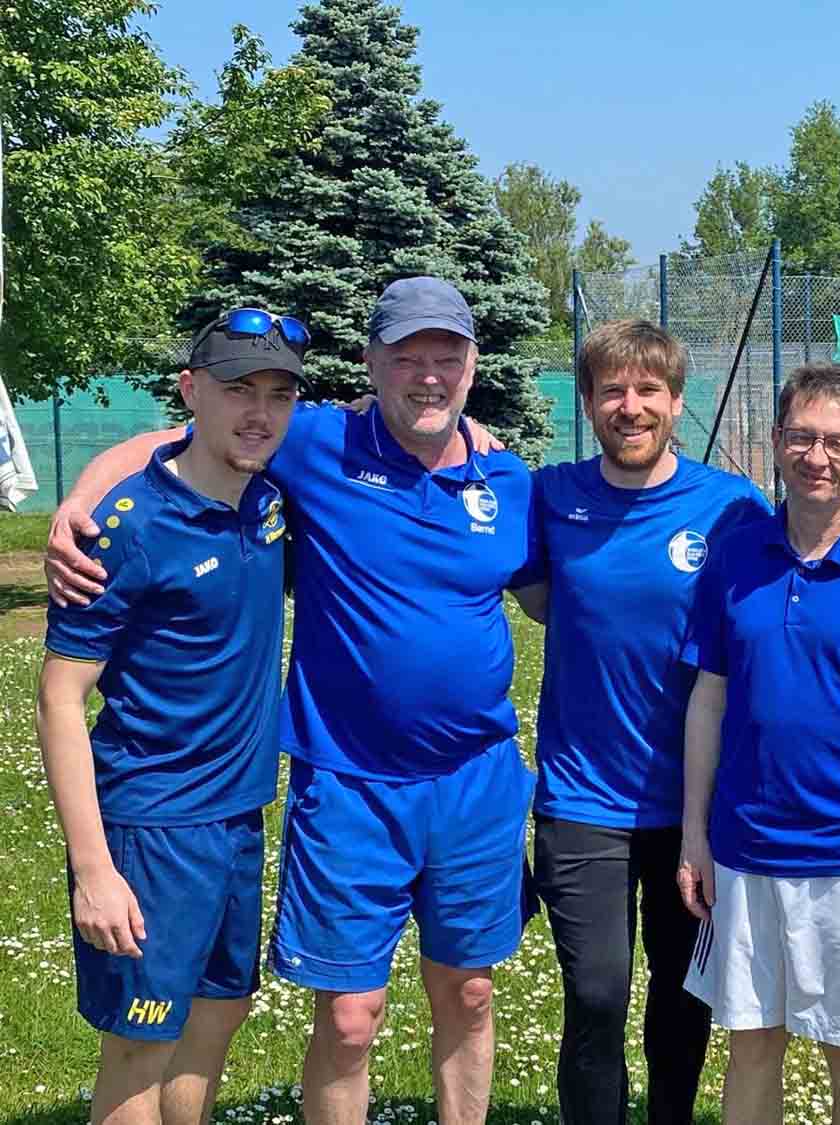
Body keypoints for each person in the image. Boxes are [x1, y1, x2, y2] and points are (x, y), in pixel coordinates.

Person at [45, 277, 541, 1125]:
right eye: (408, 357)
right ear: (372, 364)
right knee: (349, 1019)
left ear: (471, 366)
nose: (429, 375)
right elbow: (172, 441)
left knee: (471, 991)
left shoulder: (508, 479)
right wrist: (78, 503)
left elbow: (563, 592)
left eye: (446, 357)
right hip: (343, 783)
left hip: (476, 781)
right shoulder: (314, 444)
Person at [37, 310, 303, 1125]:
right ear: (193, 391)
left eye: (278, 393)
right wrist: (93, 869)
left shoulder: (270, 501)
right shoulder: (128, 529)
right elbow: (57, 696)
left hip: (235, 818)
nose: (259, 412)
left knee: (217, 1017)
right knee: (139, 1047)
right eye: (236, 391)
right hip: (151, 828)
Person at [677, 361, 840, 1125]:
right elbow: (709, 698)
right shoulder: (735, 556)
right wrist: (695, 834)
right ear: (776, 443)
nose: (816, 456)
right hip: (745, 849)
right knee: (752, 1045)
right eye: (801, 437)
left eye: (836, 441)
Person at [517, 320, 770, 1124]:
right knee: (595, 993)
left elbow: (808, 553)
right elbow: (537, 598)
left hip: (693, 809)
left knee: (679, 990)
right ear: (587, 402)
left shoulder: (731, 508)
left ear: (676, 401)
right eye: (612, 390)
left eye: (648, 390)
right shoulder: (552, 497)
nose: (631, 406)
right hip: (582, 799)